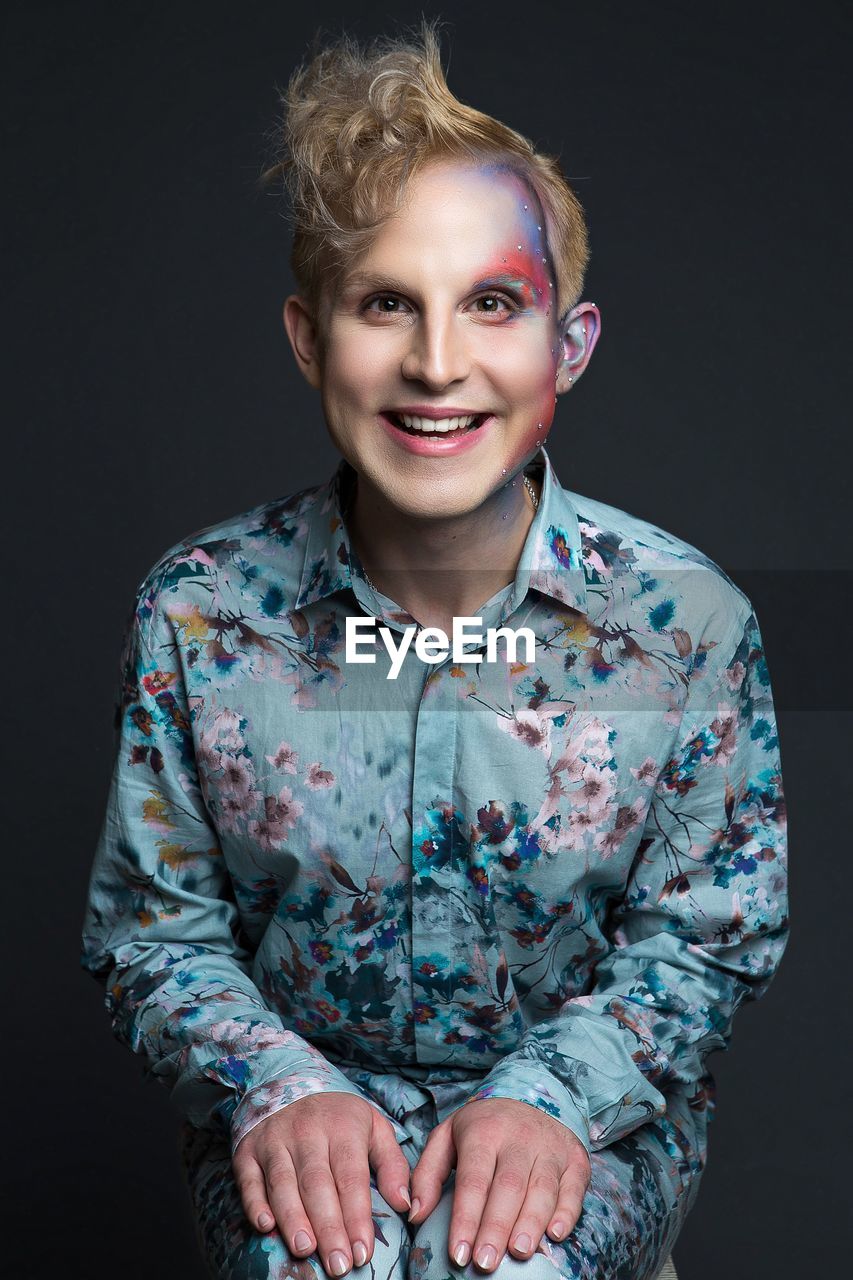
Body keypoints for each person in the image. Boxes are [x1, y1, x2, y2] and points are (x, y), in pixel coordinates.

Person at [80, 21, 789, 1280]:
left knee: (499, 1267)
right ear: (311, 339)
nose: (437, 362)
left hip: (588, 1123)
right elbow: (154, 931)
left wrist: (554, 1095)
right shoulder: (198, 611)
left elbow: (707, 933)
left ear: (566, 345)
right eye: (385, 302)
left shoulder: (687, 622)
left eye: (493, 302)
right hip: (300, 1119)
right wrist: (279, 1084)